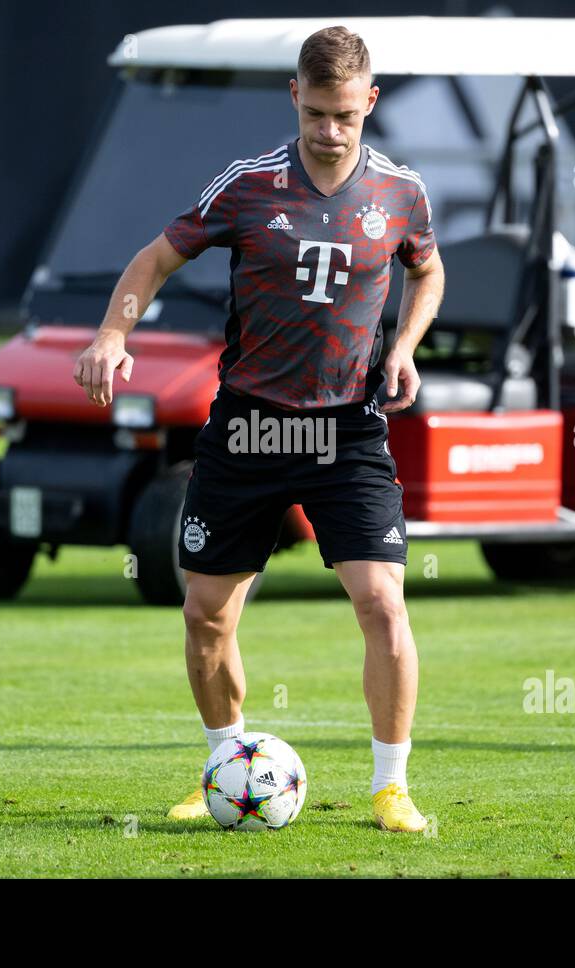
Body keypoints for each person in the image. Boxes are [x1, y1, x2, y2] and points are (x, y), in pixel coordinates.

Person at [73, 25, 445, 832]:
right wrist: (112, 333)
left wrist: (407, 346)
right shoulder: (247, 187)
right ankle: (224, 765)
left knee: (383, 602)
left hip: (347, 431)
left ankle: (391, 788)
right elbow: (154, 260)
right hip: (248, 430)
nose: (330, 130)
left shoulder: (399, 191)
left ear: (370, 103)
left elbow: (427, 267)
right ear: (294, 99)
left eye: (346, 115)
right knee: (205, 612)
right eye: (316, 112)